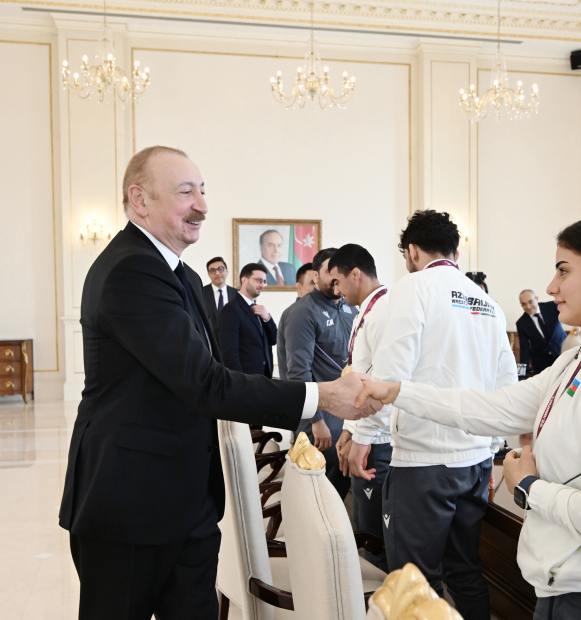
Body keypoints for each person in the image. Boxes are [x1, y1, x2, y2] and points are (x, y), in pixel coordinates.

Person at [58, 145, 372, 620]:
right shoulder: (131, 270)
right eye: (186, 192)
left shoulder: (179, 272)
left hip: (187, 502)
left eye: (203, 190)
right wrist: (321, 395)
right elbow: (204, 383)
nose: (202, 204)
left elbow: (218, 373)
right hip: (129, 503)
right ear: (139, 200)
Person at [355, 209, 581, 620]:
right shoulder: (579, 357)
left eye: (563, 271)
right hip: (568, 584)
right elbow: (492, 407)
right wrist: (397, 391)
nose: (551, 287)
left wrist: (529, 486)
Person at [346, 209, 517, 620]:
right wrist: (492, 452)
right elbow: (505, 386)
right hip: (474, 461)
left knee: (412, 582)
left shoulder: (412, 288)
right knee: (465, 570)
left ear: (413, 250)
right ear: (456, 251)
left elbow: (387, 377)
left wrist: (365, 436)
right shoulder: (487, 301)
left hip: (424, 462)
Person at [327, 244, 393, 572]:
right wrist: (348, 430)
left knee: (374, 540)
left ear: (356, 275)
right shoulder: (364, 312)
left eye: (338, 281)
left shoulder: (384, 312)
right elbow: (357, 374)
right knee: (364, 530)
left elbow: (381, 385)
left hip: (379, 441)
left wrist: (360, 437)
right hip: (364, 432)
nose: (336, 290)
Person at [284, 247, 357, 498]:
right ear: (315, 276)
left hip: (347, 413)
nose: (336, 277)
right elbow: (298, 373)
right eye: (329, 271)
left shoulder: (350, 308)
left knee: (342, 484)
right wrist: (316, 421)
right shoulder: (303, 312)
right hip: (318, 418)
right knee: (313, 493)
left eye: (340, 271)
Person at [217, 263, 277, 378]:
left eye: (264, 281)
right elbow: (229, 354)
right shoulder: (231, 309)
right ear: (244, 280)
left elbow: (273, 339)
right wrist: (239, 382)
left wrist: (268, 318)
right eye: (258, 280)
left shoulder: (259, 310)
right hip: (246, 381)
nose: (262, 285)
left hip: (264, 378)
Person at [275, 263, 315, 378]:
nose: (317, 288)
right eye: (312, 283)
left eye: (318, 283)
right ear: (299, 288)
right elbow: (298, 371)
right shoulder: (296, 315)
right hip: (305, 392)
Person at [516, 289, 566, 375]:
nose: (528, 306)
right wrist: (521, 373)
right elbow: (525, 348)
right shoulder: (521, 323)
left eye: (530, 302)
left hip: (562, 352)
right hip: (541, 362)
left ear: (537, 299)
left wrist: (578, 326)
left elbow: (573, 311)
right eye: (523, 304)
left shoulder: (552, 306)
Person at [201, 256, 239, 340]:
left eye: (220, 268)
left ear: (227, 271)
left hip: (232, 339)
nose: (217, 273)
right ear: (209, 274)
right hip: (210, 340)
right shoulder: (201, 293)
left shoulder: (237, 294)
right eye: (213, 270)